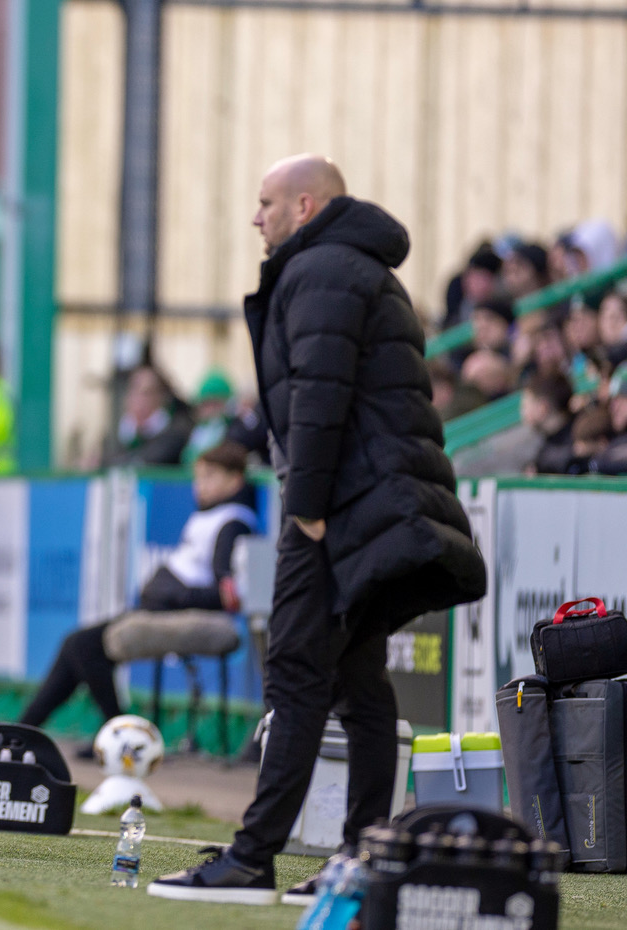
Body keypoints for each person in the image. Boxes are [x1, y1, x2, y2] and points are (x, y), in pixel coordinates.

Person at [147, 155, 486, 904]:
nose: (254, 217)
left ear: (304, 205)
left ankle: (252, 857)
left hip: (338, 508)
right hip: (371, 503)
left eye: (265, 202)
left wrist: (305, 507)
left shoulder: (322, 270)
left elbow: (320, 396)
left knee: (298, 673)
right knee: (357, 680)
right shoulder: (351, 265)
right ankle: (363, 862)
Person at [19, 440, 255, 730]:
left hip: (175, 613)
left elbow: (227, 596)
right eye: (198, 477)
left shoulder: (233, 523)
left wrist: (173, 594)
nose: (199, 485)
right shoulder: (211, 517)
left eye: (209, 477)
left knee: (83, 646)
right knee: (77, 645)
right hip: (159, 609)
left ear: (235, 480)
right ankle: (27, 728)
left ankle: (119, 731)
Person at [101, 364, 193, 467]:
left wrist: (103, 463)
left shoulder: (177, 431)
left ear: (162, 398)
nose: (139, 399)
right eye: (134, 391)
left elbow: (145, 461)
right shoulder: (117, 433)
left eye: (147, 393)